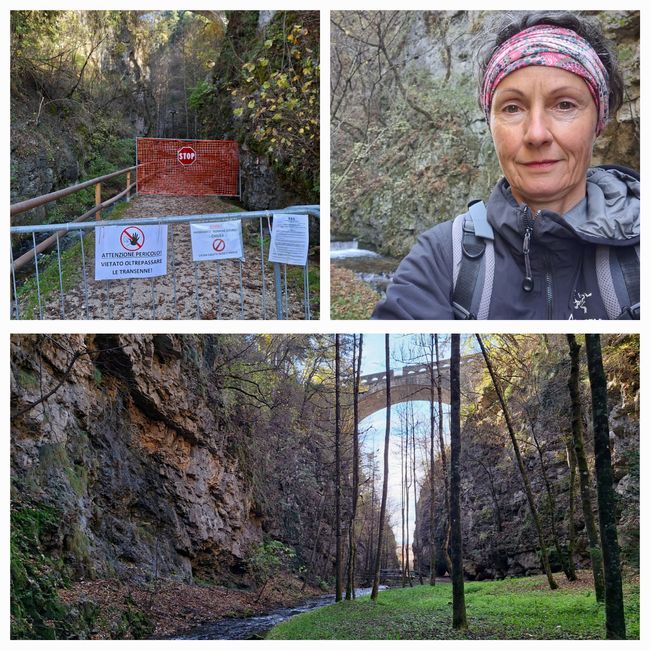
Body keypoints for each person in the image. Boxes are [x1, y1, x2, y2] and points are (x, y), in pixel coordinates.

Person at [372, 12, 639, 320]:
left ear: (598, 122)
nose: (536, 133)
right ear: (492, 126)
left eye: (564, 104)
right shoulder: (441, 258)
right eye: (512, 107)